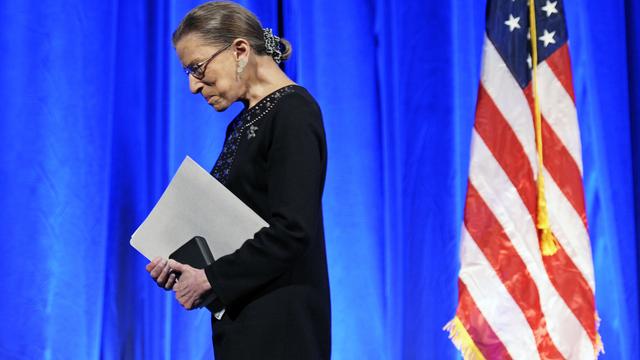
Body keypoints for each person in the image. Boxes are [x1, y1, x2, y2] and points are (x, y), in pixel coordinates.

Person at [144, 1, 331, 359]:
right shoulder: (242, 123)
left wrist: (212, 279)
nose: (193, 87)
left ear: (240, 49)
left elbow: (292, 230)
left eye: (197, 68)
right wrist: (185, 266)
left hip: (282, 330)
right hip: (245, 323)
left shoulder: (293, 112)